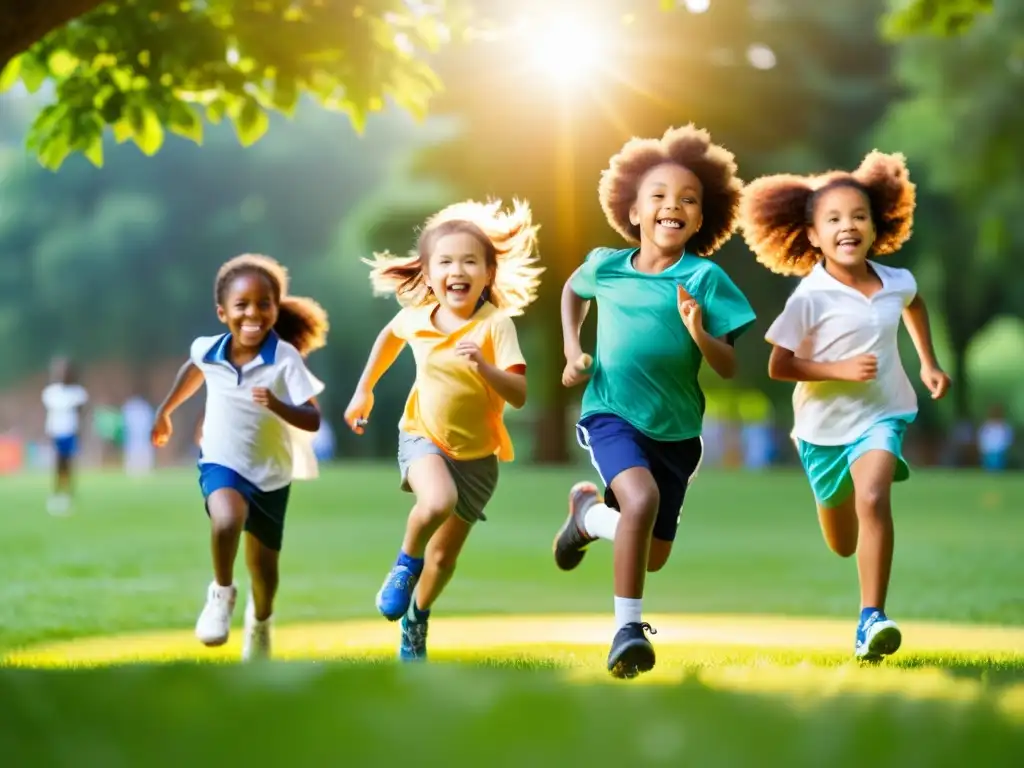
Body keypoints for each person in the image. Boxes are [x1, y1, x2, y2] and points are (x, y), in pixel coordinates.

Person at [553, 125, 756, 679]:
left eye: (688, 200)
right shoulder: (607, 266)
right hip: (610, 412)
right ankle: (627, 631)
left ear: (701, 217)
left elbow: (729, 366)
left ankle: (588, 518)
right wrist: (573, 349)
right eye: (660, 197)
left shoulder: (706, 279)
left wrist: (699, 331)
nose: (674, 206)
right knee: (638, 503)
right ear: (634, 210)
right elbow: (572, 290)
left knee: (652, 553)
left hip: (678, 430)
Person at [738, 150, 951, 661]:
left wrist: (928, 362)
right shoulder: (809, 297)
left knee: (874, 496)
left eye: (858, 216)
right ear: (812, 236)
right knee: (842, 541)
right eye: (833, 219)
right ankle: (839, 512)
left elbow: (914, 305)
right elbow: (779, 365)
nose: (848, 226)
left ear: (877, 226)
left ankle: (870, 618)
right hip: (821, 430)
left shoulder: (895, 281)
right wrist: (837, 370)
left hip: (882, 413)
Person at [344, 199, 542, 662]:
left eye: (470, 261)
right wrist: (363, 392)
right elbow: (389, 339)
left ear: (488, 275)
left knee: (444, 559)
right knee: (436, 502)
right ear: (429, 275)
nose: (458, 269)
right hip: (423, 436)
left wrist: (484, 367)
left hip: (478, 460)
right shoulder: (416, 316)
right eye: (446, 261)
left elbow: (519, 393)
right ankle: (401, 566)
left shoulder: (497, 326)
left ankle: (416, 619)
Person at [151, 254, 329, 662]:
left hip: (270, 473)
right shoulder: (207, 349)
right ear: (222, 312)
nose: (253, 313)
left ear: (274, 309)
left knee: (264, 572)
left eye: (263, 304)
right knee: (227, 519)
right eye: (241, 305)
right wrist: (165, 410)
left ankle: (260, 623)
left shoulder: (284, 358)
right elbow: (193, 370)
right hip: (221, 459)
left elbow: (313, 418)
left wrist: (278, 406)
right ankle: (221, 594)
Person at [41, 356, 89, 515]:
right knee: (57, 463)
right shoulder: (51, 392)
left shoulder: (78, 392)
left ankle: (68, 494)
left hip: (70, 431)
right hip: (56, 432)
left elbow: (82, 413)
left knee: (68, 464)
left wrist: (80, 431)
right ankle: (56, 493)